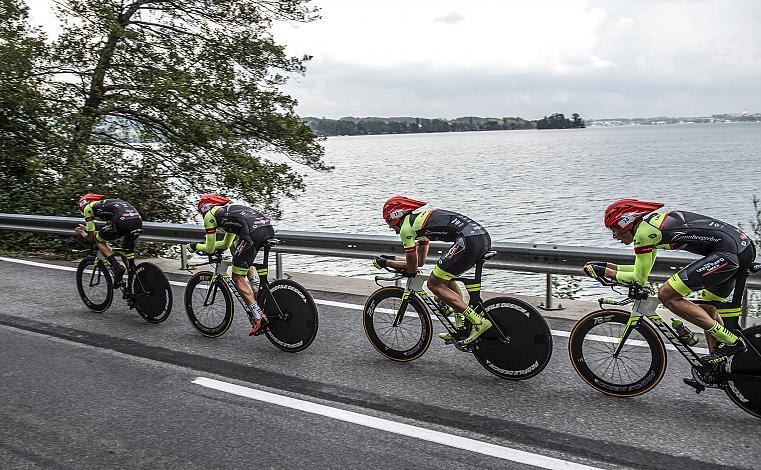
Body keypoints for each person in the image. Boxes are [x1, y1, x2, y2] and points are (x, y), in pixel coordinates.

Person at [583, 198, 756, 364]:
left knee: (667, 295)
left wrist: (604, 271)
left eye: (614, 229)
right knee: (707, 309)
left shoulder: (644, 234)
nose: (615, 236)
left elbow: (638, 279)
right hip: (740, 248)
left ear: (625, 222)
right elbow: (640, 270)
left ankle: (732, 341)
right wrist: (606, 267)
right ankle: (717, 368)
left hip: (729, 254)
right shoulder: (649, 227)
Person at [374, 196, 492, 345]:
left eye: (388, 222)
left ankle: (478, 321)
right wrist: (393, 259)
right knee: (444, 277)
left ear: (395, 215)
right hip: (480, 238)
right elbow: (419, 261)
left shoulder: (406, 229)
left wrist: (386, 262)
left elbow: (412, 268)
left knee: (433, 284)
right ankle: (461, 326)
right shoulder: (418, 223)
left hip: (468, 241)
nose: (390, 227)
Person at [187, 194, 275, 336]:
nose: (202, 215)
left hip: (251, 232)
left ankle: (259, 316)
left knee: (237, 277)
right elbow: (226, 244)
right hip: (266, 228)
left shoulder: (210, 216)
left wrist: (194, 246)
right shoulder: (227, 213)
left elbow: (209, 248)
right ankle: (256, 289)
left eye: (200, 212)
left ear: (205, 208)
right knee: (236, 250)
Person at [74, 193, 143, 287]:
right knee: (126, 253)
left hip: (121, 221)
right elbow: (106, 228)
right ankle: (135, 281)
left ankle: (117, 267)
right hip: (137, 221)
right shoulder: (107, 204)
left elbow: (91, 238)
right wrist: (88, 230)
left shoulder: (88, 208)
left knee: (99, 240)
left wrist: (82, 233)